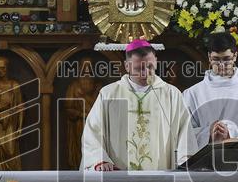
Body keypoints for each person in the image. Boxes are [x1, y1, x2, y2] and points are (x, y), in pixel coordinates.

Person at [81, 39, 196, 171]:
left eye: (150, 67)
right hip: (118, 175)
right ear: (127, 66)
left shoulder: (171, 94)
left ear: (156, 62)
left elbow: (185, 132)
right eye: (139, 68)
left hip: (160, 175)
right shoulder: (109, 94)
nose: (145, 73)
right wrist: (100, 159)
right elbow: (93, 131)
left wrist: (185, 160)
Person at [183, 31, 238, 148]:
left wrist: (232, 133)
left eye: (226, 59)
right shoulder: (191, 94)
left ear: (235, 56)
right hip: (204, 159)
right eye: (216, 59)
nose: (221, 64)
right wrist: (209, 133)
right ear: (209, 57)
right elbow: (183, 133)